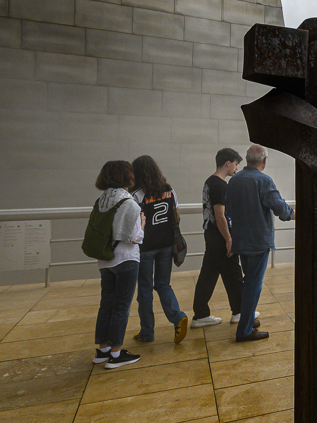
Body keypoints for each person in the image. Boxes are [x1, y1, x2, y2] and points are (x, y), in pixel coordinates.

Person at [226, 145, 294, 341]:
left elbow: (228, 209)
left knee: (249, 282)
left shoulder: (234, 181)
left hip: (241, 240)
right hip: (258, 241)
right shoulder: (263, 180)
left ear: (247, 159)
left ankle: (247, 320)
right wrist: (291, 214)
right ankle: (245, 330)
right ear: (264, 161)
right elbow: (279, 207)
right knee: (253, 285)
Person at [130, 155, 188, 345]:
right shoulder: (170, 191)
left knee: (145, 290)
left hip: (145, 248)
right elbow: (176, 217)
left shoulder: (137, 195)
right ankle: (178, 317)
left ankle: (147, 332)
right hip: (165, 246)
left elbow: (134, 223)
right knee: (163, 285)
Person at [92, 160, 144, 370]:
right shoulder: (129, 202)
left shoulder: (102, 199)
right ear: (127, 176)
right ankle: (116, 353)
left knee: (107, 304)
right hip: (126, 259)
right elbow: (134, 238)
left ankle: (102, 350)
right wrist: (142, 223)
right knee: (122, 306)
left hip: (105, 259)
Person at [193, 148, 245, 328]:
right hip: (220, 236)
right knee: (234, 273)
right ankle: (240, 312)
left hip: (211, 235)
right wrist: (229, 239)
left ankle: (200, 314)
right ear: (228, 163)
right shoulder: (219, 185)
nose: (236, 169)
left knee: (209, 273)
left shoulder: (210, 182)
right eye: (236, 164)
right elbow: (220, 215)